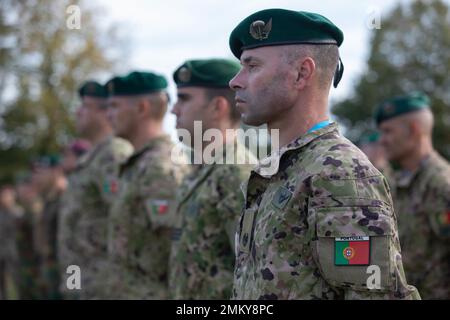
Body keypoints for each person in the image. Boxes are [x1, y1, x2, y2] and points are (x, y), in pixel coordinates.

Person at [228, 8, 419, 299]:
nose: (236, 81)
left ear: (301, 73)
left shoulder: (338, 172)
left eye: (252, 66)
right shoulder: (278, 169)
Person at [169, 59, 256, 299]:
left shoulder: (236, 172)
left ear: (218, 107)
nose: (173, 109)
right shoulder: (199, 171)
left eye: (184, 99)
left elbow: (252, 275)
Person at [104, 71, 188, 299]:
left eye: (114, 106)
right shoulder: (138, 163)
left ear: (142, 108)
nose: (108, 115)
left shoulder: (159, 166)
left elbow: (178, 251)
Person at [58, 81, 133, 299]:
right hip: (82, 280)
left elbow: (123, 218)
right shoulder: (92, 158)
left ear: (104, 112)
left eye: (85, 106)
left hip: (103, 286)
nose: (77, 112)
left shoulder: (113, 154)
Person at [375, 92, 450, 299]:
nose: (382, 141)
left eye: (388, 131)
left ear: (414, 130)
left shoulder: (442, 185)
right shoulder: (400, 184)